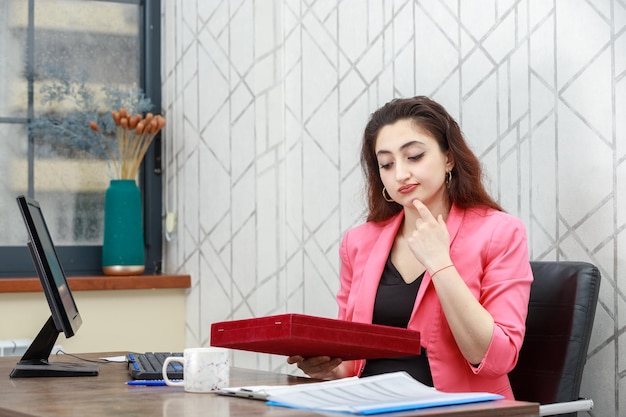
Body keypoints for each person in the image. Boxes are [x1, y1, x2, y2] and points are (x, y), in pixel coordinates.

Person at [287, 96, 533, 400]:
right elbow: (352, 362)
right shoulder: (358, 242)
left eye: (414, 156)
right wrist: (328, 367)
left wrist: (440, 263)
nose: (400, 174)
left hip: (456, 409)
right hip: (369, 404)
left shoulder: (500, 232)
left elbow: (497, 358)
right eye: (386, 164)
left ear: (449, 159)